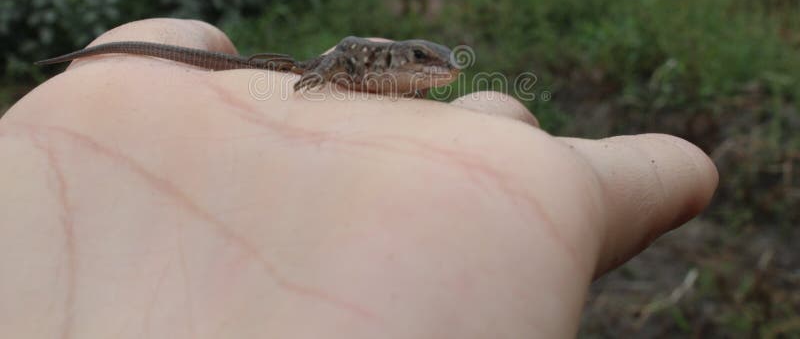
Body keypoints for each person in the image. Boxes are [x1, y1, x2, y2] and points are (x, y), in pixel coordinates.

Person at [0, 19, 718, 338]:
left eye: (435, 65)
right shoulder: (360, 62)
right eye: (422, 62)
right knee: (274, 66)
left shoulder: (407, 78)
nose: (437, 74)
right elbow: (341, 54)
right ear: (394, 61)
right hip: (311, 66)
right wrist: (322, 77)